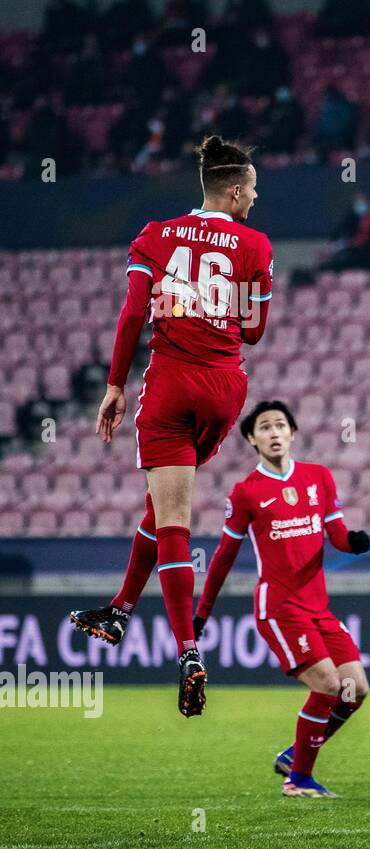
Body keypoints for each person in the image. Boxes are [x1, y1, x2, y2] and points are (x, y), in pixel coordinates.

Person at [70, 135, 273, 718]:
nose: (255, 199)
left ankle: (187, 650)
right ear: (233, 191)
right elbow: (254, 330)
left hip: (170, 384)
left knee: (175, 520)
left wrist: (114, 385)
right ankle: (121, 609)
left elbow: (134, 312)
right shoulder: (256, 244)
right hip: (224, 387)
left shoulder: (154, 235)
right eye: (253, 190)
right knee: (165, 507)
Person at [192, 409, 370, 798]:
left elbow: (336, 534)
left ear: (292, 432)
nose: (273, 433)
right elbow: (223, 557)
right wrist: (201, 614)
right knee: (328, 684)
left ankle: (296, 755)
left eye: (280, 426)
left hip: (318, 607)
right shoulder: (246, 492)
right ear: (252, 440)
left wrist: (353, 543)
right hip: (279, 608)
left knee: (355, 688)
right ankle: (299, 781)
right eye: (264, 428)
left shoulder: (318, 477)